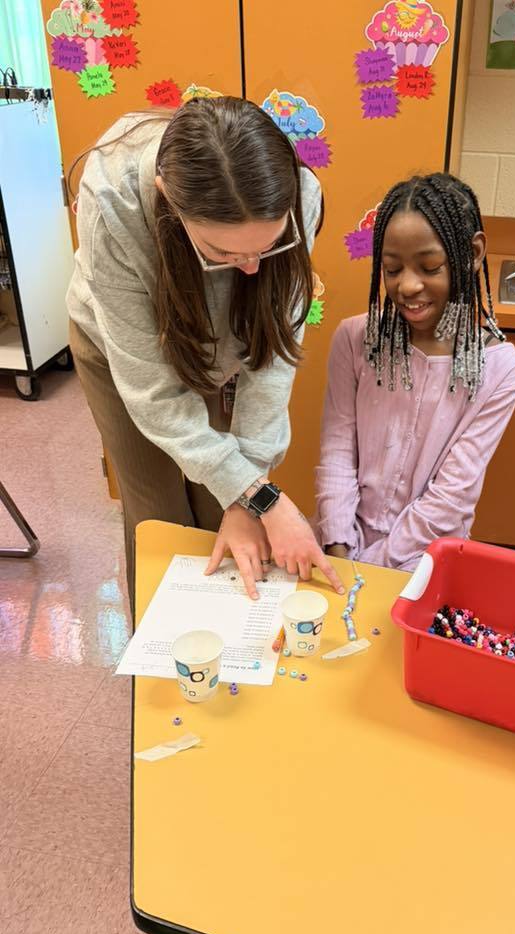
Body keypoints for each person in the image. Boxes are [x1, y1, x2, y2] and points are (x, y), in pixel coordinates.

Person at [66, 97, 344, 606]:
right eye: (223, 252)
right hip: (122, 353)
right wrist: (260, 496)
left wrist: (250, 494)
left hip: (222, 347)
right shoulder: (114, 203)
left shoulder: (300, 196)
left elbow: (271, 367)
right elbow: (154, 395)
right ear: (167, 197)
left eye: (269, 245)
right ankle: (163, 671)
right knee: (158, 515)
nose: (254, 268)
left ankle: (231, 656)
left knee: (225, 512)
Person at [314, 173, 515, 571]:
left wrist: (373, 566)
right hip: (341, 542)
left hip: (425, 555)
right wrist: (340, 544)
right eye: (392, 270)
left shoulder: (499, 367)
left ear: (473, 252)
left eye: (429, 267)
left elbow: (452, 495)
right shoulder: (354, 338)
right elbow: (337, 451)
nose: (408, 286)